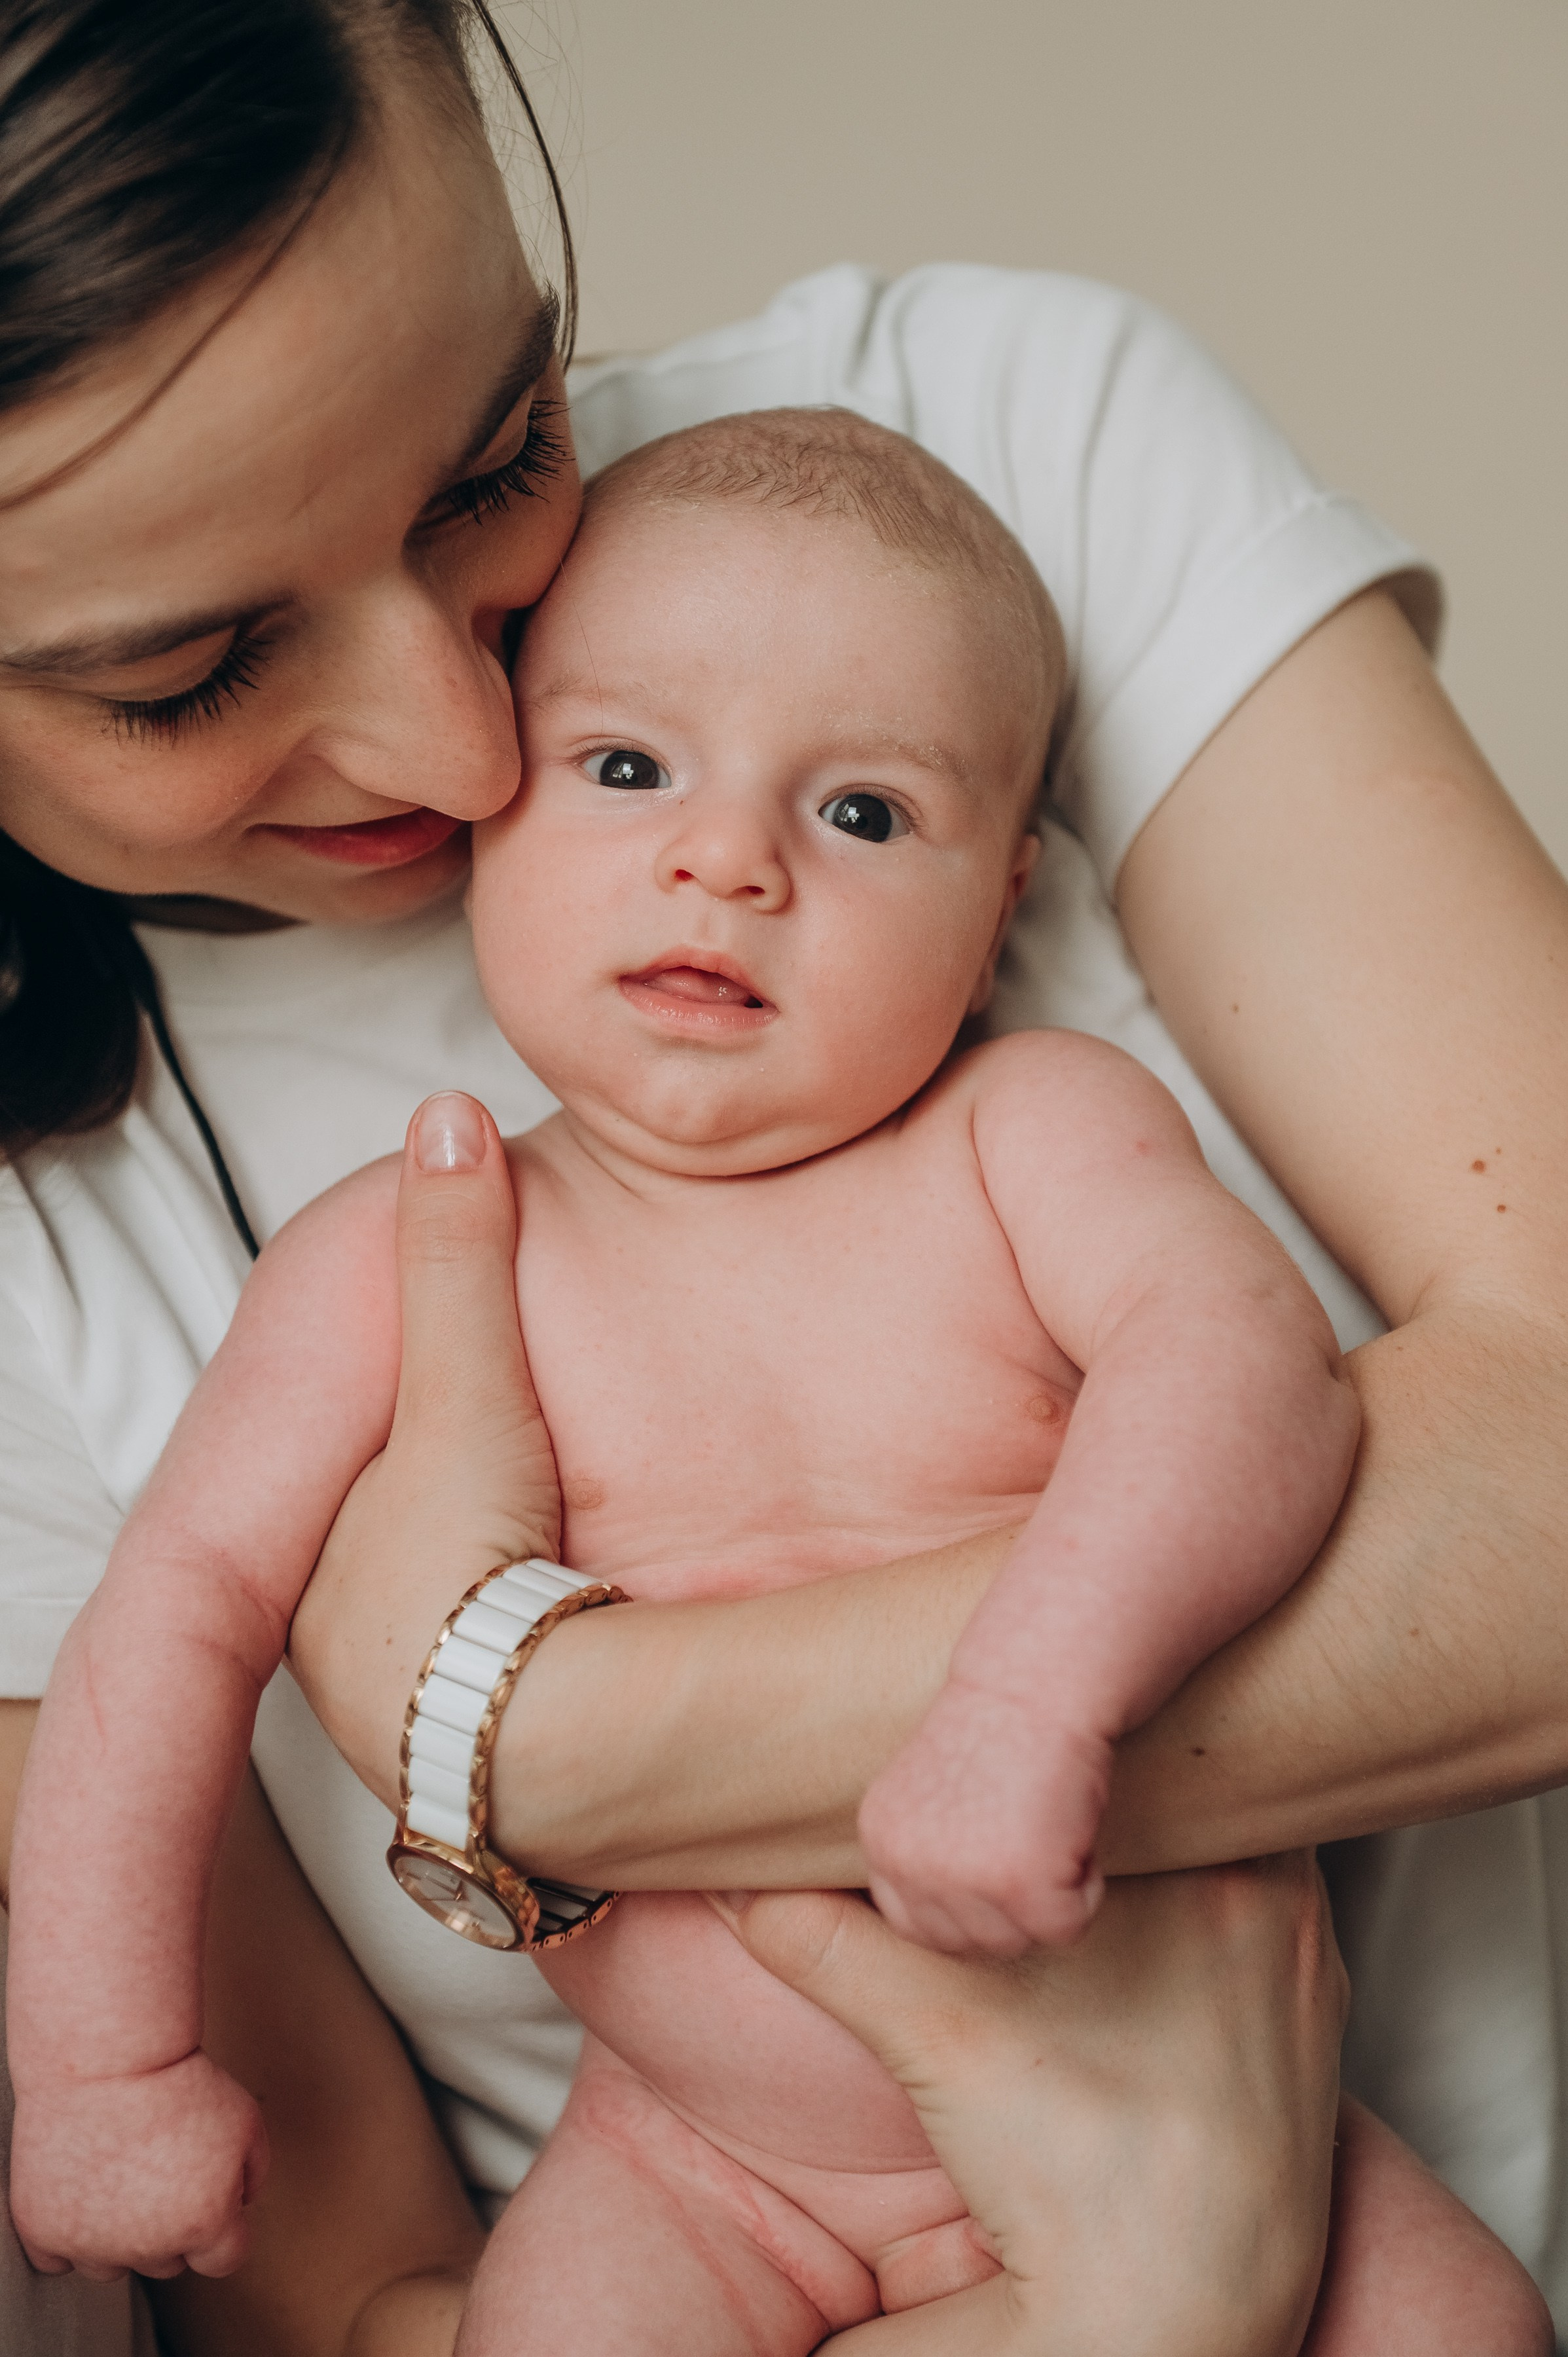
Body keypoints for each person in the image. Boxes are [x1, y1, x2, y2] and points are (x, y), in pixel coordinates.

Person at [1, 0, 1566, 2346]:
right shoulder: (372, 1235)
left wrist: (537, 1735)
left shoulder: (973, 600)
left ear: (1002, 873)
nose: (466, 741)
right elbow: (353, 2270)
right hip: (691, 2181)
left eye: (491, 461)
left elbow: (1280, 1378)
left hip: (1330, 2138)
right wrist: (106, 2068)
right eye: (189, 669)